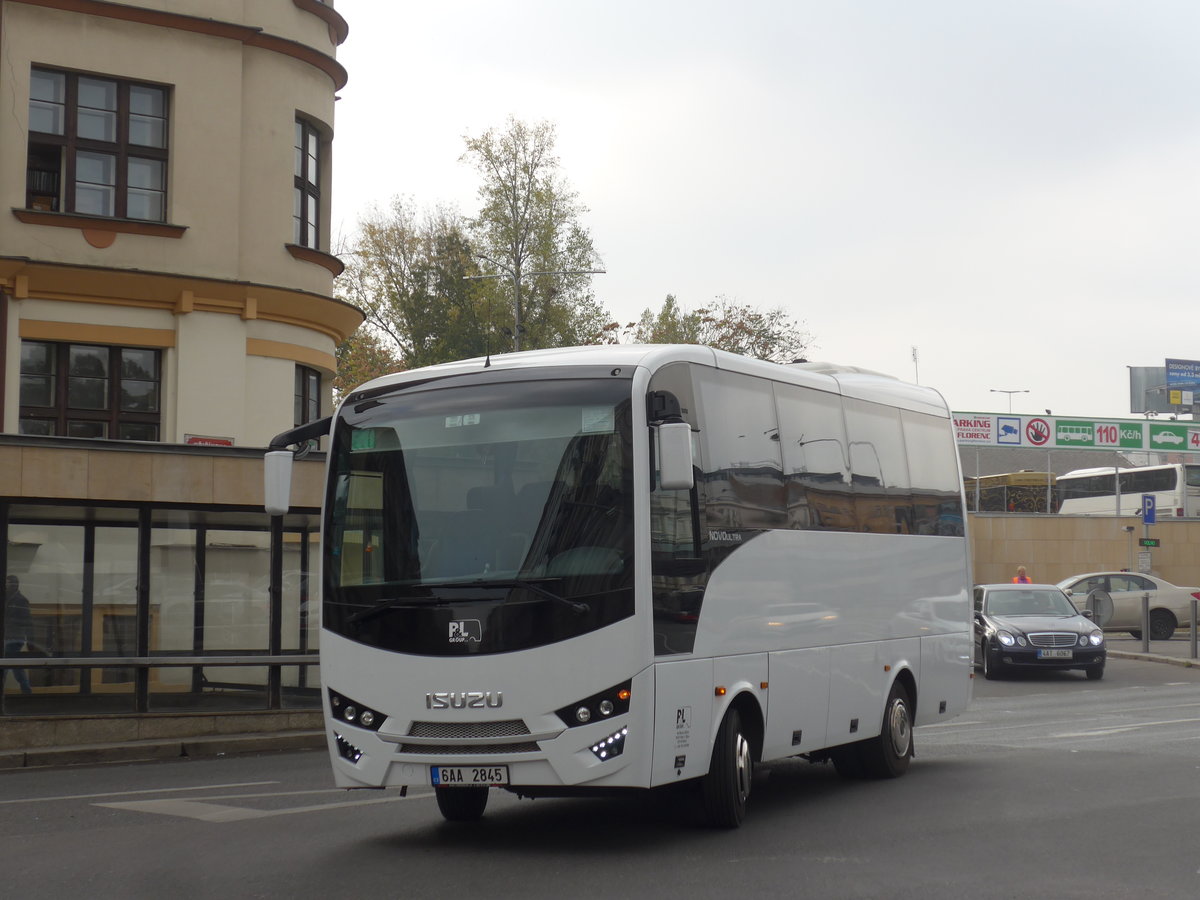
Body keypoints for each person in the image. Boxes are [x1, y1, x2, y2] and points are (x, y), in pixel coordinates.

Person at [3, 575, 33, 695]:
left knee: (4, 663)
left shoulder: (20, 600)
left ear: (15, 585)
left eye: (8, 583)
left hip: (14, 638)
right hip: (8, 637)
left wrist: (31, 640)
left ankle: (26, 691)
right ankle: (27, 691)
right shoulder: (6, 598)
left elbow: (28, 621)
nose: (6, 586)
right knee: (16, 666)